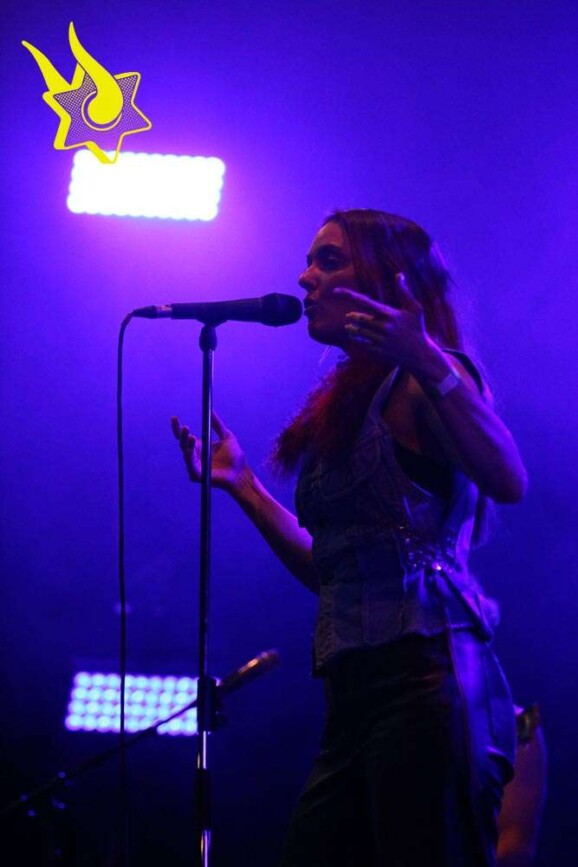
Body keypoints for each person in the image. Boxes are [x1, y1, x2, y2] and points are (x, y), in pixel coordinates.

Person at [172, 209, 528, 866]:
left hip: (428, 676)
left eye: (329, 260)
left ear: (387, 279)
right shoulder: (348, 403)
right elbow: (333, 570)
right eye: (311, 261)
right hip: (353, 695)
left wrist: (425, 356)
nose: (305, 278)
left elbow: (508, 477)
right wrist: (243, 484)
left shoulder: (428, 378)